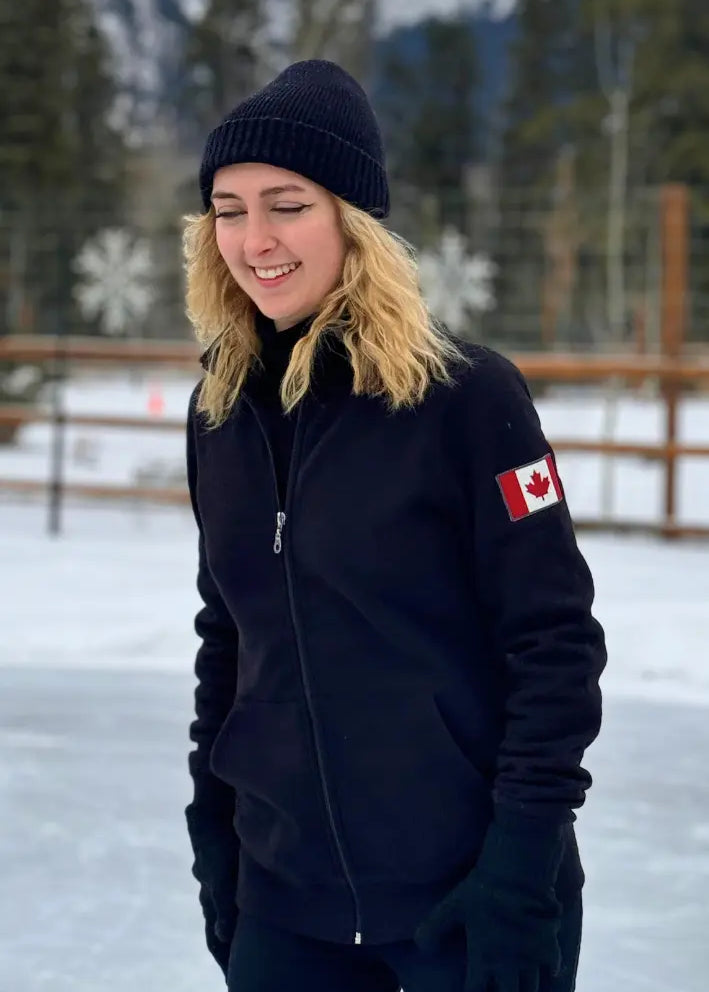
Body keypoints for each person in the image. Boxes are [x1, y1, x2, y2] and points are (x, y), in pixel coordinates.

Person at [182, 59, 606, 992]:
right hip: (286, 911)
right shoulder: (219, 411)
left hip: (466, 903)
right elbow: (230, 639)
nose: (254, 239)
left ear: (352, 220)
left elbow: (554, 648)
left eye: (286, 204)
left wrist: (518, 875)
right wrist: (216, 845)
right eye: (228, 207)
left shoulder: (465, 399)